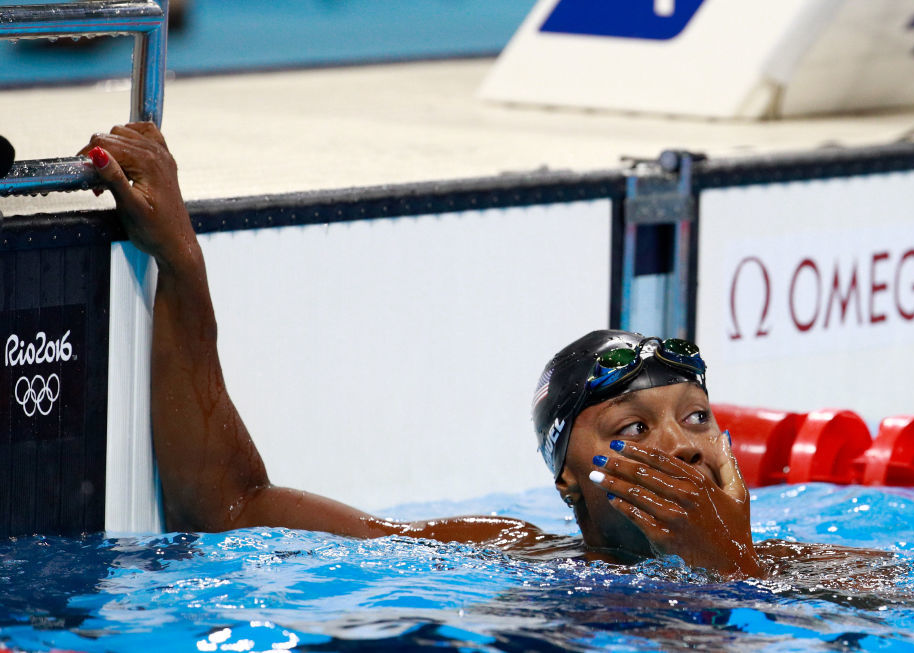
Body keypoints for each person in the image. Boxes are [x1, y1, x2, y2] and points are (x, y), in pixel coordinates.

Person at [79, 122, 763, 579]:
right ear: (567, 480)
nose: (682, 444)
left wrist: (734, 569)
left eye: (697, 416)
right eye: (634, 427)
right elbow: (227, 509)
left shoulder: (814, 574)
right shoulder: (508, 556)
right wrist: (180, 258)